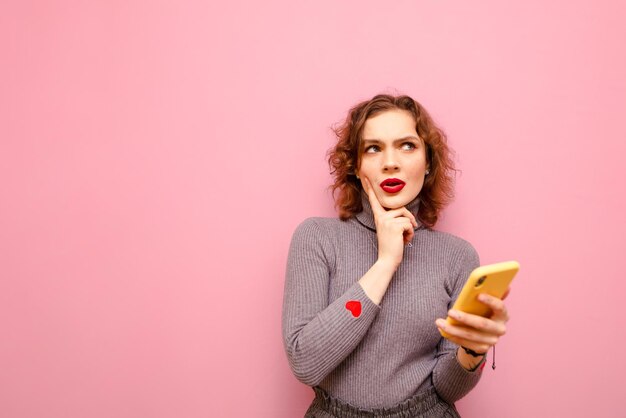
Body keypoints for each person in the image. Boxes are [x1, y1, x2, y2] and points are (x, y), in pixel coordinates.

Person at [282, 94, 510, 417]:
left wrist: (471, 353)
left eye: (407, 145)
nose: (391, 162)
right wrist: (386, 262)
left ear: (428, 162)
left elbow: (447, 388)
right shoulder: (317, 239)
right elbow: (305, 363)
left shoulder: (456, 256)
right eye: (373, 148)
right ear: (356, 165)